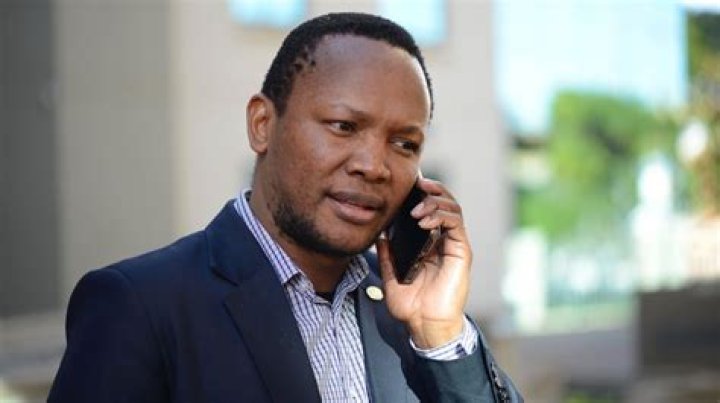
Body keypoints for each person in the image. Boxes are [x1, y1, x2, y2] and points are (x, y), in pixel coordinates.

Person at [48, 12, 522, 403]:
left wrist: (441, 334)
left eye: (404, 143)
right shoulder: (139, 306)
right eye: (343, 126)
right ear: (262, 125)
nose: (374, 166)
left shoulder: (412, 315)